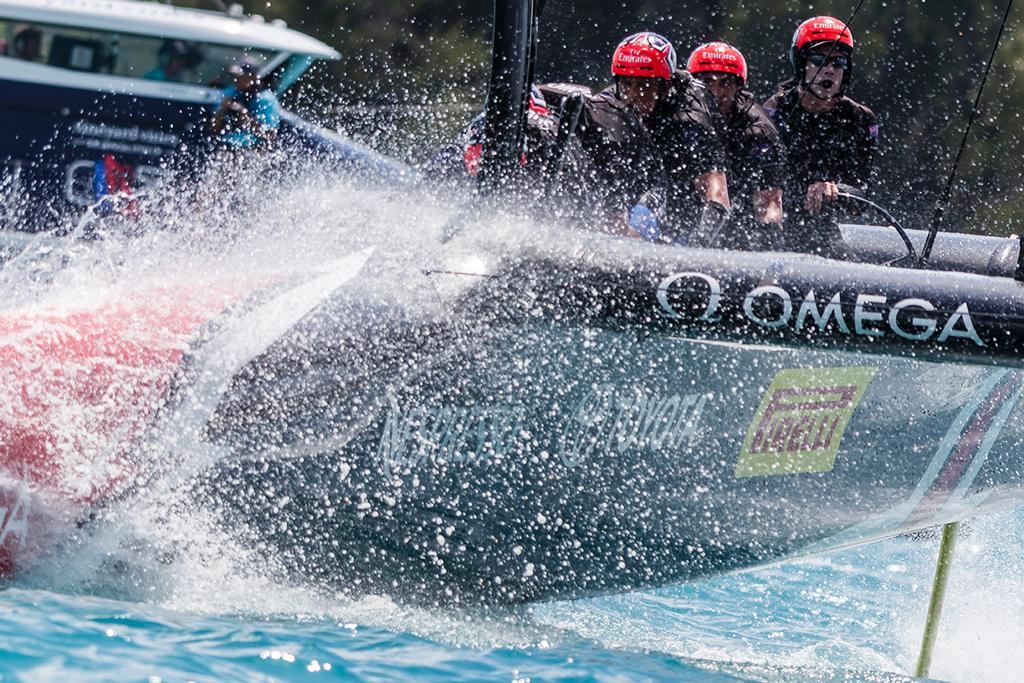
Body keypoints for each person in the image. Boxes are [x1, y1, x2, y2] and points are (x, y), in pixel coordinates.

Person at [600, 32, 731, 246]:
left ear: (665, 87)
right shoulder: (612, 101)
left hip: (683, 175)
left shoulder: (691, 116)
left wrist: (699, 246)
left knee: (649, 211)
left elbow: (718, 194)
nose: (633, 95)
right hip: (645, 167)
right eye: (627, 84)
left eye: (643, 86)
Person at [763, 16, 878, 259]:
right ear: (801, 64)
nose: (829, 70)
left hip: (823, 230)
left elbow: (864, 198)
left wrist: (837, 190)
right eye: (819, 61)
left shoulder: (860, 120)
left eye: (838, 63)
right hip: (772, 224)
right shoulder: (773, 113)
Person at [686, 42, 786, 251]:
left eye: (725, 83)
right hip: (685, 209)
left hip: (738, 224)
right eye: (707, 82)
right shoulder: (680, 115)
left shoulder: (760, 132)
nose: (715, 91)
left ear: (738, 87)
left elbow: (770, 207)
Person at [210, 59, 280, 150]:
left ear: (253, 77)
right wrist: (223, 109)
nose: (235, 80)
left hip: (253, 150)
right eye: (234, 76)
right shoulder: (231, 92)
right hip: (227, 147)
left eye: (240, 76)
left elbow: (271, 136)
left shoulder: (265, 100)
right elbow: (214, 130)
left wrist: (245, 116)